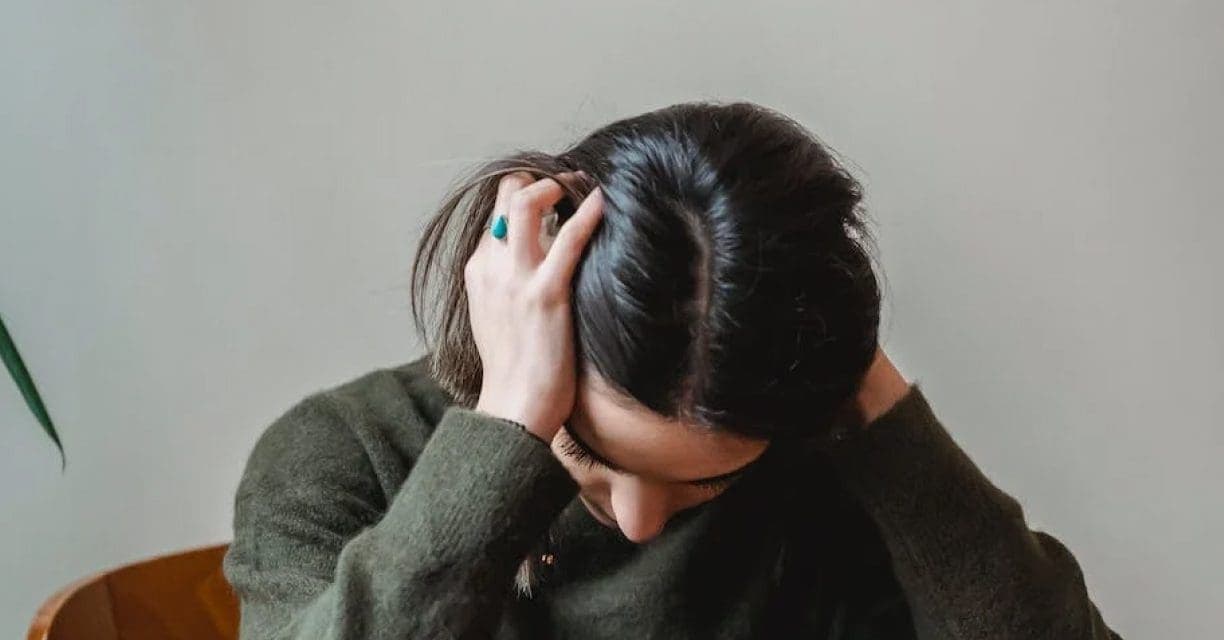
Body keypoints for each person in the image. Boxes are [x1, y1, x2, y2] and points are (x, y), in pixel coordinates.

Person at [222, 101, 1122, 639]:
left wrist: (873, 395)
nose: (642, 523)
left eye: (705, 484)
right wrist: (504, 441)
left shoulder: (810, 472)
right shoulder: (341, 458)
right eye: (587, 457)